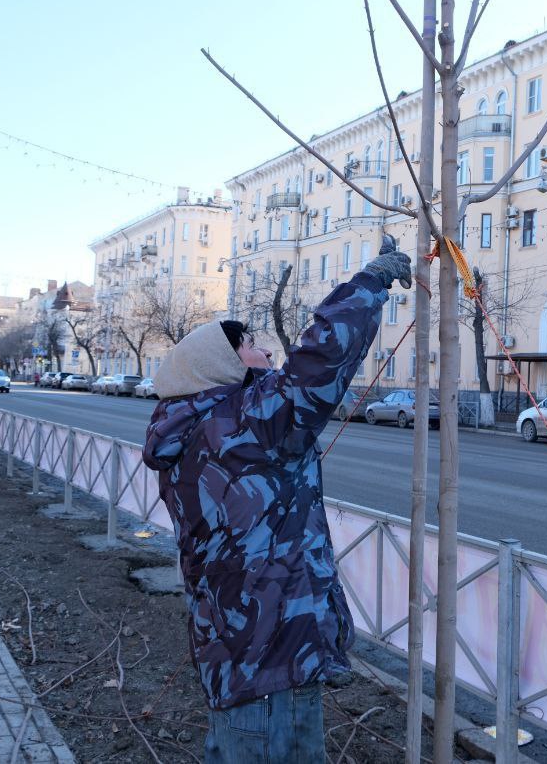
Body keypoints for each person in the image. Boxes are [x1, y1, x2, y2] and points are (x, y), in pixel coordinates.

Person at [143, 237, 411, 763]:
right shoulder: (236, 426)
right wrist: (369, 284)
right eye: (249, 346)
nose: (264, 351)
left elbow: (314, 380)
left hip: (244, 649)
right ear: (217, 368)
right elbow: (315, 368)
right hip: (270, 652)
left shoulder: (202, 430)